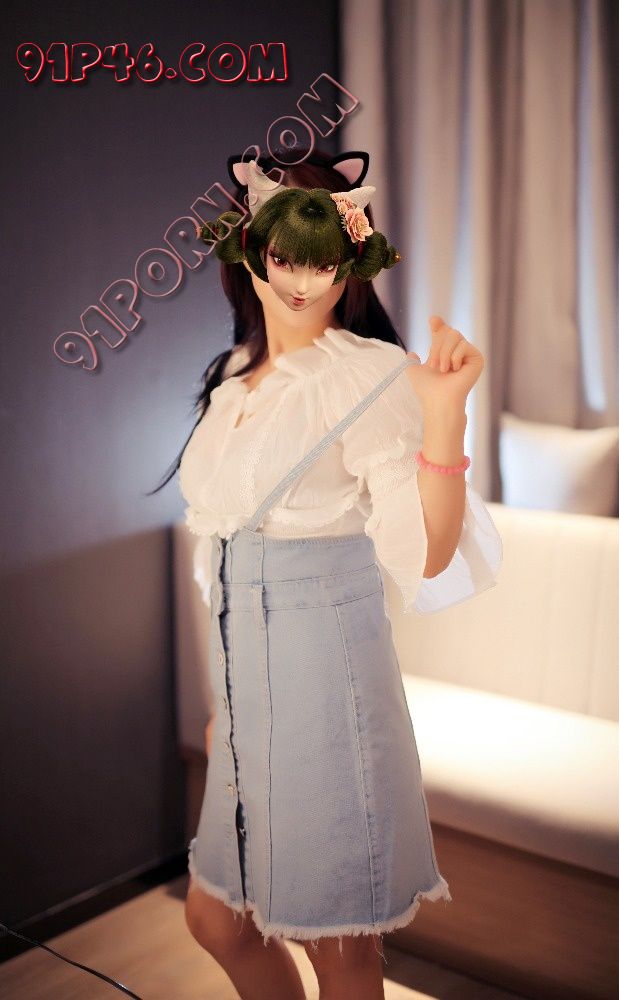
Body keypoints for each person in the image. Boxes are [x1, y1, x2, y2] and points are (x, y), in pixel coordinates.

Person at [149, 147, 502, 1000]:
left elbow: (425, 551)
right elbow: (220, 554)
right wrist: (227, 698)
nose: (303, 280)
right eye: (284, 256)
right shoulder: (231, 380)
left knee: (340, 949)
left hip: (327, 694)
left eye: (324, 259)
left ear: (353, 261)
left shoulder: (372, 376)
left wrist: (444, 416)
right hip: (248, 700)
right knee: (216, 917)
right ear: (248, 251)